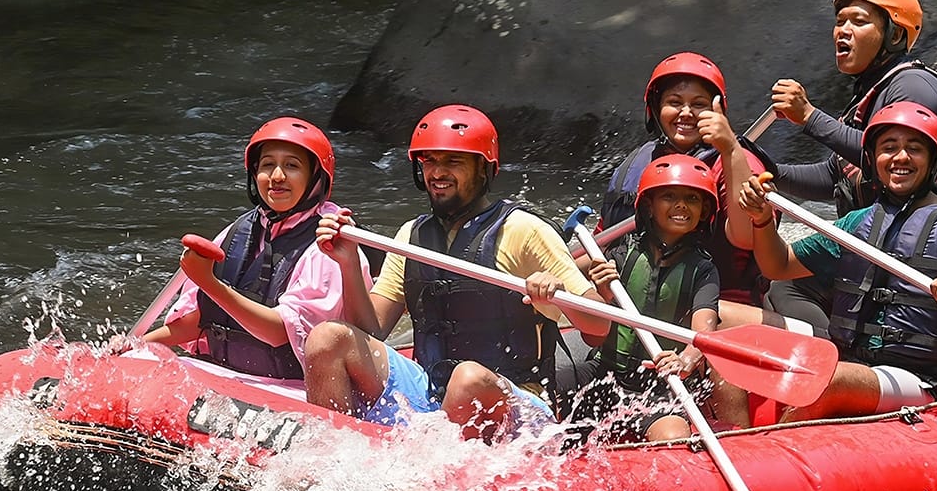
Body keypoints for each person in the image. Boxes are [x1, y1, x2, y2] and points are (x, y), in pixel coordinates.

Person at [304, 104, 611, 442]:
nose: (438, 172)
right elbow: (370, 330)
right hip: (431, 393)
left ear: (484, 169)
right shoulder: (412, 236)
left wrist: (558, 296)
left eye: (453, 161)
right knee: (327, 338)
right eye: (430, 161)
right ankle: (333, 455)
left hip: (517, 402)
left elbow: (598, 326)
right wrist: (348, 262)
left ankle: (430, 477)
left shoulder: (524, 229)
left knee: (466, 379)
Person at [737, 102, 937, 422]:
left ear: (935, 161)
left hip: (928, 380)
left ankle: (769, 451)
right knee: (737, 347)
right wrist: (761, 221)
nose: (901, 157)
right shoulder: (858, 223)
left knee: (832, 382)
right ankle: (730, 441)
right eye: (889, 148)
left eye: (914, 148)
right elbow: (779, 266)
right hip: (854, 361)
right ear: (873, 160)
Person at [763, 0, 937, 334]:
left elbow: (891, 163)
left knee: (788, 288)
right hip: (891, 239)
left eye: (858, 21)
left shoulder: (912, 87)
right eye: (840, 21)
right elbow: (835, 178)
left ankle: (842, 358)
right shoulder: (870, 94)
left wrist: (809, 117)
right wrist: (769, 172)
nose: (842, 30)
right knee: (783, 285)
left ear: (895, 35)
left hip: (936, 247)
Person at [138, 117, 371, 392]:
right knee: (136, 356)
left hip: (291, 389)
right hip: (226, 374)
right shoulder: (239, 231)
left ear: (315, 179)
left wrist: (209, 283)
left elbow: (280, 334)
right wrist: (138, 345)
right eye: (268, 165)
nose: (277, 177)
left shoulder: (329, 244)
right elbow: (197, 321)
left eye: (292, 166)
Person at [596, 52, 776, 315]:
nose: (686, 113)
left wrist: (730, 150)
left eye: (699, 104)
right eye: (674, 102)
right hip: (642, 293)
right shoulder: (636, 164)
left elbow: (746, 236)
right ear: (655, 109)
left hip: (724, 306)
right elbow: (602, 240)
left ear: (718, 111)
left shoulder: (739, 161)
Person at [566, 154, 722, 445]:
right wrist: (601, 294)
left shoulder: (703, 269)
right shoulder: (618, 253)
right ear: (649, 206)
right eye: (669, 196)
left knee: (673, 439)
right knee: (536, 396)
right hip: (604, 371)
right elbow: (590, 330)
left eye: (692, 198)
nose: (681, 205)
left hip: (660, 383)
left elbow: (704, 331)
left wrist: (685, 360)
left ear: (704, 211)